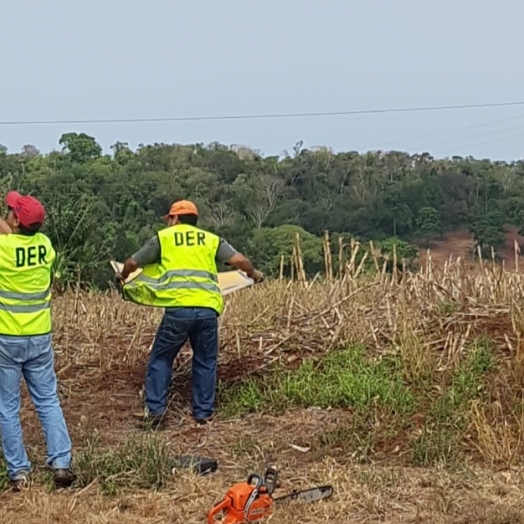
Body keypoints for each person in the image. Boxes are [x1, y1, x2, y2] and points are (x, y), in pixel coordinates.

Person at [117, 199, 263, 428]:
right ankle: (203, 414)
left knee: (161, 358)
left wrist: (123, 276)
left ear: (175, 219)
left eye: (169, 220)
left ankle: (155, 411)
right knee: (205, 361)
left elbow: (132, 262)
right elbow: (240, 261)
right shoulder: (211, 240)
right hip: (207, 309)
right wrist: (253, 274)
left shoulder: (163, 239)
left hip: (179, 309)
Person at [0, 191, 75, 490]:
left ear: (16, 220)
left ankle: (19, 472)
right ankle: (61, 463)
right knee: (47, 401)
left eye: (9, 210)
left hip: (7, 338)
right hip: (40, 337)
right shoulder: (45, 247)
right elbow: (11, 234)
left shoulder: (3, 249)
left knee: (7, 406)